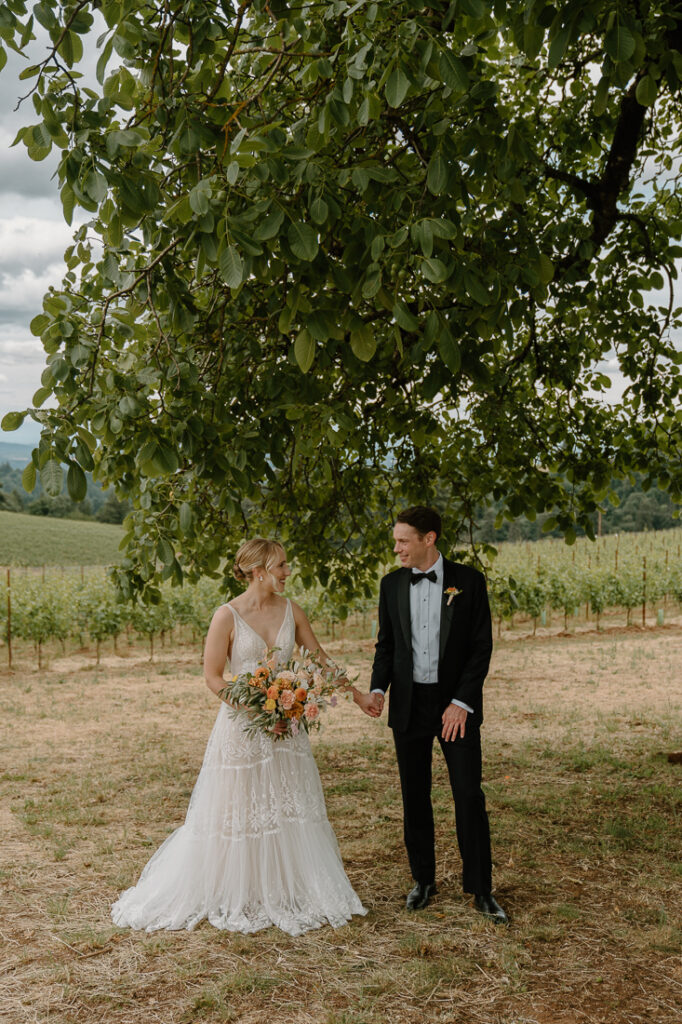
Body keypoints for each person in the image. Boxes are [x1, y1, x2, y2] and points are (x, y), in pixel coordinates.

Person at [112, 537, 367, 936]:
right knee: (238, 807)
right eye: (281, 566)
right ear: (259, 570)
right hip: (241, 728)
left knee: (286, 803)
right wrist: (259, 709)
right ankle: (237, 887)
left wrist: (358, 696)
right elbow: (213, 677)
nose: (287, 572)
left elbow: (320, 659)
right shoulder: (226, 616)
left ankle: (287, 886)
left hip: (288, 732)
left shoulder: (291, 611)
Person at [354, 506, 508, 924]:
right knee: (414, 795)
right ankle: (423, 881)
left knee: (468, 796)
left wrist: (462, 702)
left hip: (454, 706)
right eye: (395, 540)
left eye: (403, 540)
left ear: (429, 538)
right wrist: (376, 689)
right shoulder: (390, 585)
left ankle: (481, 890)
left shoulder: (469, 582)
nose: (397, 548)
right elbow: (386, 646)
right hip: (407, 705)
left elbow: (481, 647)